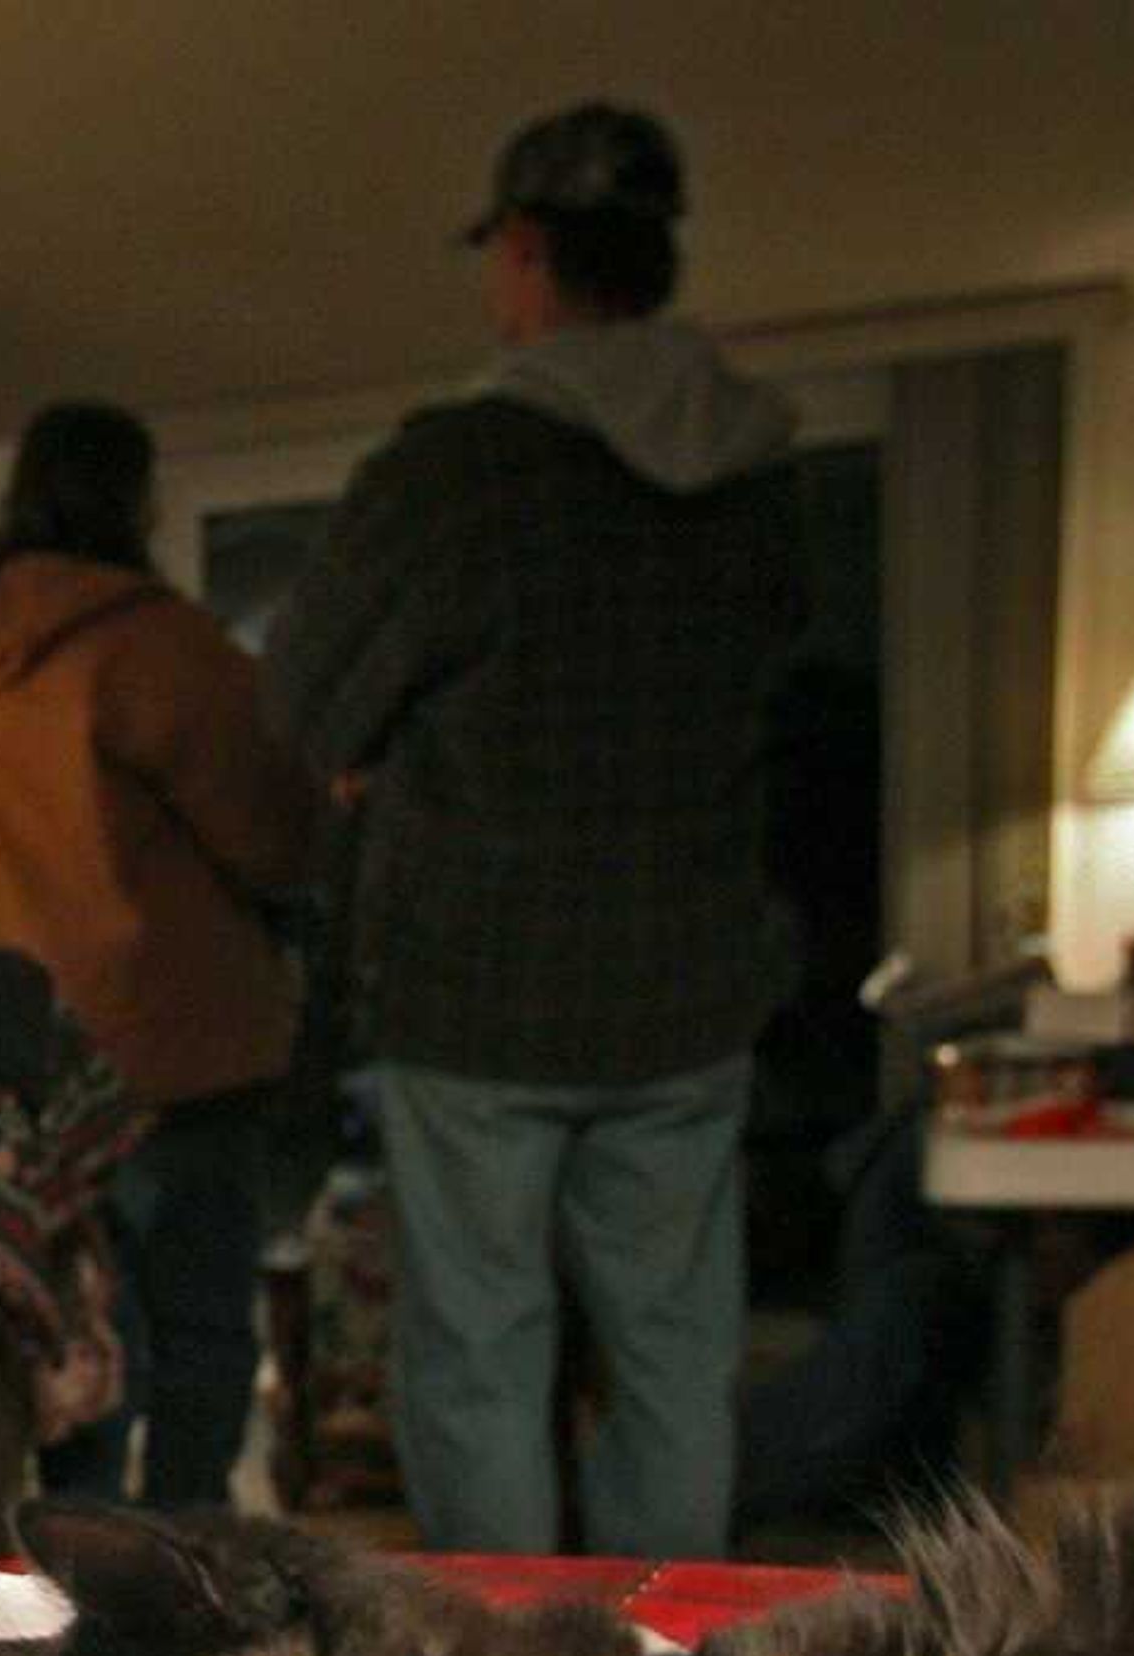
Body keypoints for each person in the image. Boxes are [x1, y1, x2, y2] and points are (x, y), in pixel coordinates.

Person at [264, 99, 803, 1557]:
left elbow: (300, 706)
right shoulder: (763, 478)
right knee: (679, 1356)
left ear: (522, 253)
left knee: (480, 1356)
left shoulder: (457, 471)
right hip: (689, 982)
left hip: (482, 992)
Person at [0, 402, 314, 1507]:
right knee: (205, 1331)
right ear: (136, 502)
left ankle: (84, 1572)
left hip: (28, 1065)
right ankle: (196, 1565)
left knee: (78, 1347)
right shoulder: (158, 642)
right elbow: (275, 831)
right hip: (179, 1052)